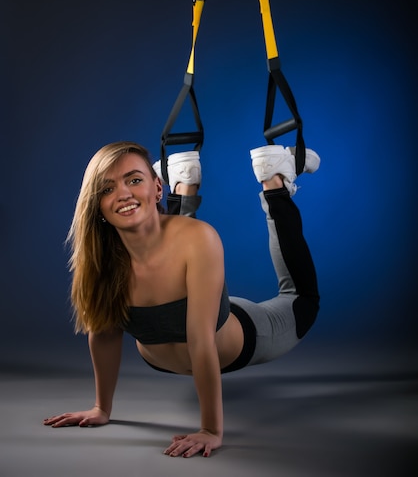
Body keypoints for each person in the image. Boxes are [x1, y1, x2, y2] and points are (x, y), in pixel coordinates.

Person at [44, 141, 320, 458]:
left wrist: (210, 429)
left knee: (301, 299)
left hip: (247, 334)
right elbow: (104, 333)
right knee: (157, 235)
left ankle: (275, 184)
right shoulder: (99, 259)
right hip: (184, 324)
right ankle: (184, 181)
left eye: (134, 180)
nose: (123, 194)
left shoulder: (199, 237)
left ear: (156, 188)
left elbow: (201, 341)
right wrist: (101, 408)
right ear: (98, 205)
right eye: (108, 189)